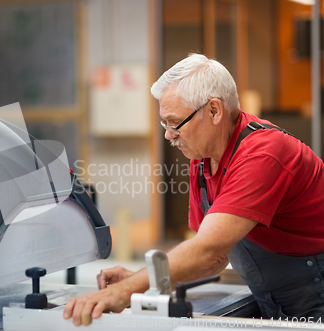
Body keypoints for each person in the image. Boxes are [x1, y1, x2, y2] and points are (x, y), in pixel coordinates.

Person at [63, 53, 324, 326]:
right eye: (165, 124)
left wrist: (125, 292)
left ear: (214, 110)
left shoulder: (263, 154)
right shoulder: (203, 159)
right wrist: (140, 278)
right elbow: (214, 258)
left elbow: (209, 250)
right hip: (277, 299)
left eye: (174, 123)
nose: (168, 134)